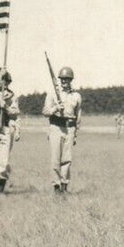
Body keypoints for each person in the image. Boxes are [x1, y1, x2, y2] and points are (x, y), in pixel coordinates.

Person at [43, 65, 82, 194]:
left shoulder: (76, 96)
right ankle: (56, 187)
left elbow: (78, 117)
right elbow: (45, 111)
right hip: (56, 127)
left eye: (67, 79)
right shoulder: (52, 94)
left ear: (71, 80)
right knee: (55, 160)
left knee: (67, 160)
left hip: (69, 129)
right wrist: (55, 108)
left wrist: (75, 134)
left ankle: (64, 186)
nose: (64, 81)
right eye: (62, 79)